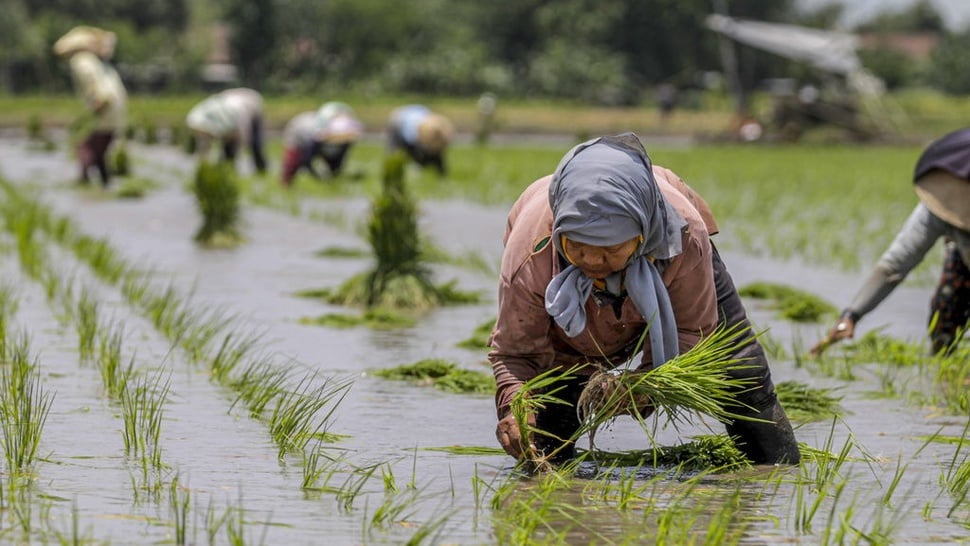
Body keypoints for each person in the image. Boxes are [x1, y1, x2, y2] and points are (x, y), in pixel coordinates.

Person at [489, 132, 800, 466]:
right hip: (562, 307)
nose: (593, 263)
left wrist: (643, 386)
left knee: (741, 377)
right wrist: (517, 407)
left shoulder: (682, 237)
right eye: (577, 248)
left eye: (609, 250)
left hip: (673, 267)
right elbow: (515, 353)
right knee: (549, 433)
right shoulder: (533, 253)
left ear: (640, 237)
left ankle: (777, 482)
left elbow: (690, 335)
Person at [812, 128, 970, 357]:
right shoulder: (940, 205)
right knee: (945, 315)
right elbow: (894, 265)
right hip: (962, 257)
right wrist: (851, 315)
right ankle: (945, 370)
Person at [53, 26, 128, 187]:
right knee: (100, 149)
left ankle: (84, 181)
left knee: (86, 147)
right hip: (114, 108)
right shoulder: (97, 61)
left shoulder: (81, 60)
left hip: (103, 107)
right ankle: (105, 182)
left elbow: (92, 81)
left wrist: (97, 100)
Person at [280, 101, 364, 186]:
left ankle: (332, 185)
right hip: (299, 137)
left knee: (334, 167)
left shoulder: (347, 139)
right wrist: (317, 176)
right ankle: (285, 186)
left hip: (320, 141)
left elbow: (339, 161)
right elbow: (306, 161)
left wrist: (332, 177)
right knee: (292, 164)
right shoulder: (313, 133)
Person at [186, 87, 267, 173]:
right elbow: (203, 148)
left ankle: (261, 170)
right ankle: (227, 170)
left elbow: (246, 137)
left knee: (255, 145)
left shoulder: (241, 116)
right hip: (228, 104)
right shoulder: (202, 118)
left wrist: (240, 145)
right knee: (227, 151)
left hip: (251, 105)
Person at [387, 104, 454, 175]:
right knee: (395, 153)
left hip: (416, 114)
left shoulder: (434, 127)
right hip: (399, 121)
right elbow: (409, 145)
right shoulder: (413, 132)